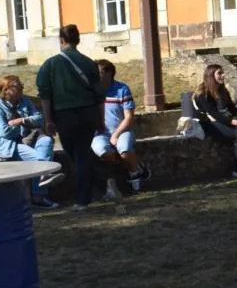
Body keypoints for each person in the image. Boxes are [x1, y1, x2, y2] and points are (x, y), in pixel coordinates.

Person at [36, 24, 103, 211]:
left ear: (61, 40)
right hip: (88, 113)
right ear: (78, 40)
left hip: (64, 115)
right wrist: (101, 119)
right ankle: (98, 187)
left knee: (76, 155)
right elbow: (99, 96)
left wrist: (48, 120)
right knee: (82, 153)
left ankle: (84, 198)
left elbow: (44, 95)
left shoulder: (50, 65)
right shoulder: (89, 63)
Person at [0, 75, 61, 208]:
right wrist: (24, 128)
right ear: (6, 90)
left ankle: (44, 177)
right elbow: (4, 132)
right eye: (18, 86)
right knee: (39, 160)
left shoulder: (25, 101)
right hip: (9, 145)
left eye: (21, 85)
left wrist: (22, 120)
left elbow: (40, 118)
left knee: (46, 141)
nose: (22, 87)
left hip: (28, 139)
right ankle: (39, 194)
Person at [92, 60, 151, 196]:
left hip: (122, 129)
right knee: (102, 151)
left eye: (99, 72)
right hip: (100, 133)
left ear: (109, 73)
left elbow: (129, 117)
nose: (96, 76)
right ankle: (135, 165)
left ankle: (135, 174)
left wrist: (116, 134)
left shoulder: (122, 89)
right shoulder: (93, 91)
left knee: (124, 149)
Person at [194, 63, 237, 178]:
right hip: (210, 125)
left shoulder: (222, 91)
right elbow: (215, 114)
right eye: (219, 73)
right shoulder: (203, 93)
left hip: (224, 122)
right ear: (211, 76)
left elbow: (233, 109)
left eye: (223, 73)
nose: (223, 75)